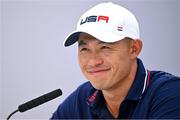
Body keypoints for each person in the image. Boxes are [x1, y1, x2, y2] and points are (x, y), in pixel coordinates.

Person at [51, 2, 180, 119]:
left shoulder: (170, 93)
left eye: (105, 47)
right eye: (84, 49)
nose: (93, 62)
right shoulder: (82, 97)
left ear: (134, 49)